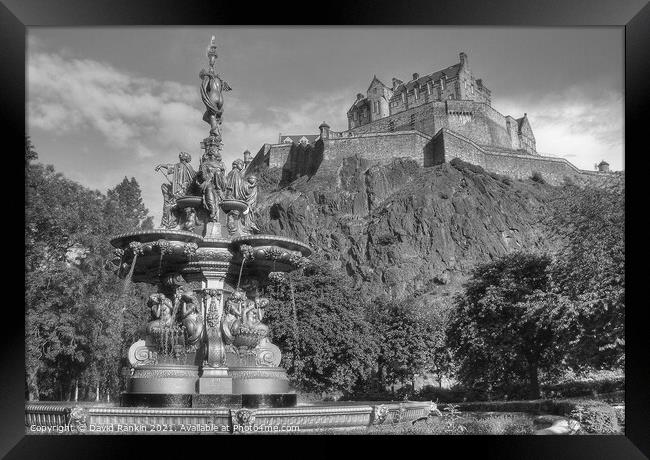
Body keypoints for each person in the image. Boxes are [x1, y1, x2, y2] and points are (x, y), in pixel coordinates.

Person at [155, 152, 196, 228]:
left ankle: (173, 224)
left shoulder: (188, 167)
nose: (181, 157)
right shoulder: (177, 166)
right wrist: (161, 165)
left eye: (183, 156)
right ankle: (170, 224)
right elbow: (170, 166)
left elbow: (193, 177)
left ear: (186, 158)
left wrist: (161, 165)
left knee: (174, 205)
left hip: (184, 190)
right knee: (171, 202)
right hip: (177, 189)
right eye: (180, 156)